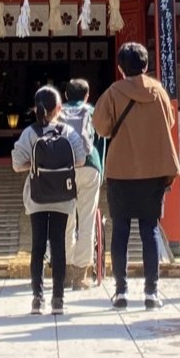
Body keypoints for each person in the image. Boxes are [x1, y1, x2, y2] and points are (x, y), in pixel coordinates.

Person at [91, 41, 180, 310]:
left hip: (121, 170)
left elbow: (102, 127)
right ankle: (151, 292)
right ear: (145, 65)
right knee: (149, 229)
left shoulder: (113, 92)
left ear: (120, 68)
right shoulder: (158, 92)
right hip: (153, 169)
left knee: (120, 229)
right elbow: (171, 121)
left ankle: (121, 291)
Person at [10, 85, 87, 316]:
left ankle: (37, 299)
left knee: (37, 245)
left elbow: (16, 165)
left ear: (37, 107)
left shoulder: (30, 133)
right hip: (63, 196)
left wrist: (34, 165)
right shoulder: (67, 132)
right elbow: (81, 160)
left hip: (37, 195)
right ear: (58, 108)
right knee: (59, 246)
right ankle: (58, 300)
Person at [59, 78, 102, 289]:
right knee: (87, 219)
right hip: (89, 165)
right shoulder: (92, 110)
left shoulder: (58, 111)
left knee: (65, 220)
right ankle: (81, 274)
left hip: (63, 168)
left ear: (65, 95)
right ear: (87, 95)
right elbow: (101, 139)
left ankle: (65, 272)